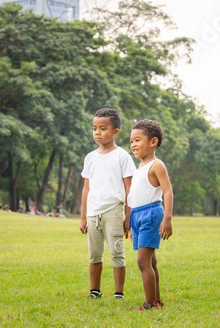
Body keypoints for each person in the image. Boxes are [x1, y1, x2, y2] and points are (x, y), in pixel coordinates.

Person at [80, 108, 136, 300]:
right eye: (94, 128)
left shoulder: (122, 157)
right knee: (94, 255)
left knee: (117, 253)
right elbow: (86, 189)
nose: (97, 132)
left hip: (114, 211)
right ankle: (94, 291)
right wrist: (83, 217)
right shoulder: (90, 157)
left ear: (115, 132)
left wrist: (128, 216)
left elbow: (130, 189)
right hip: (93, 213)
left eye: (103, 128)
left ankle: (118, 293)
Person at [128, 119, 173, 310]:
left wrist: (167, 218)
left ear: (153, 142)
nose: (133, 145)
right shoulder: (140, 167)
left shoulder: (157, 165)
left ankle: (150, 303)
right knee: (151, 261)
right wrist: (131, 224)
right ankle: (156, 300)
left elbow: (168, 192)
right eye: (131, 141)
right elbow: (135, 196)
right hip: (137, 216)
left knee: (142, 261)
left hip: (151, 214)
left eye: (137, 140)